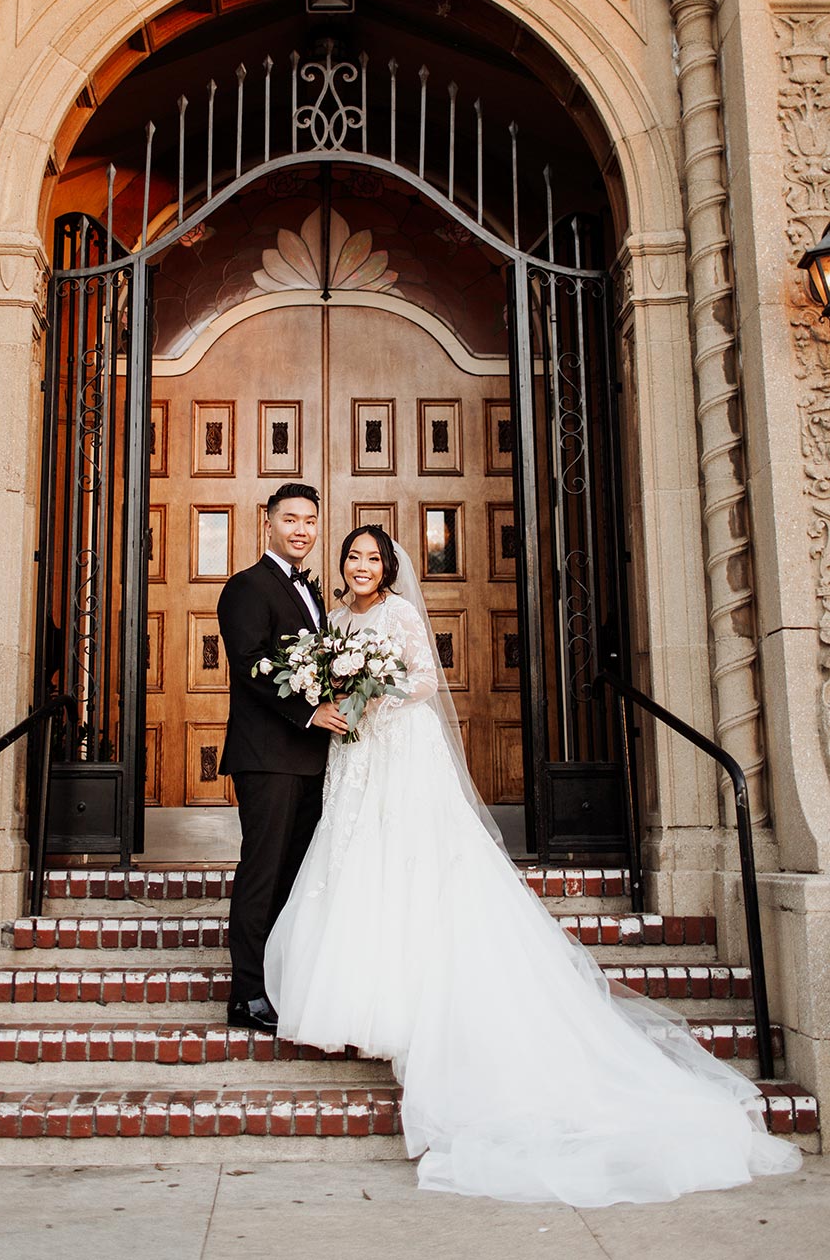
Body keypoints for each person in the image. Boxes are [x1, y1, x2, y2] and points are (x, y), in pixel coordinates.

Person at [264, 526, 803, 1206]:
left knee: (408, 866)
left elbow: (427, 679)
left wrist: (375, 697)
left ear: (387, 566)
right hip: (356, 754)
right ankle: (359, 1009)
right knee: (352, 862)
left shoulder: (400, 612)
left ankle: (398, 1013)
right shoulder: (337, 616)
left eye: (372, 557)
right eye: (353, 556)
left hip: (400, 750)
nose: (361, 565)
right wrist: (342, 698)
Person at [217, 482, 349, 1034]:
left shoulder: (313, 594)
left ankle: (278, 979)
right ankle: (246, 994)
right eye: (291, 518)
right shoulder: (247, 587)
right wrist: (308, 713)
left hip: (310, 761)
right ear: (267, 522)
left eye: (310, 521)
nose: (302, 529)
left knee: (294, 877)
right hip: (267, 757)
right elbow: (250, 666)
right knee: (262, 874)